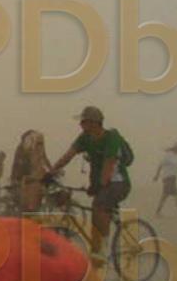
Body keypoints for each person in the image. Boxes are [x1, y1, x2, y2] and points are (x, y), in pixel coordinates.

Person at [48, 106, 134, 262]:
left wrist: (99, 185)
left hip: (118, 183)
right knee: (96, 213)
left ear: (94, 123)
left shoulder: (112, 138)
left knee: (99, 206)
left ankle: (103, 249)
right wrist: (51, 172)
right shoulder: (85, 138)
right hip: (101, 183)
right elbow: (68, 155)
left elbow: (109, 164)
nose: (81, 125)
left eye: (84, 122)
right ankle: (96, 249)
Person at [11, 130, 52, 212]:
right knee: (27, 199)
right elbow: (21, 163)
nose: (40, 144)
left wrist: (52, 169)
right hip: (24, 175)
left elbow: (44, 158)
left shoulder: (38, 148)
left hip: (31, 175)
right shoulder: (24, 149)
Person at [154, 142, 177, 217]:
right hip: (167, 178)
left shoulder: (176, 157)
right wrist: (156, 175)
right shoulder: (168, 155)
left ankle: (158, 211)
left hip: (173, 178)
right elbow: (160, 165)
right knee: (174, 195)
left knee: (166, 195)